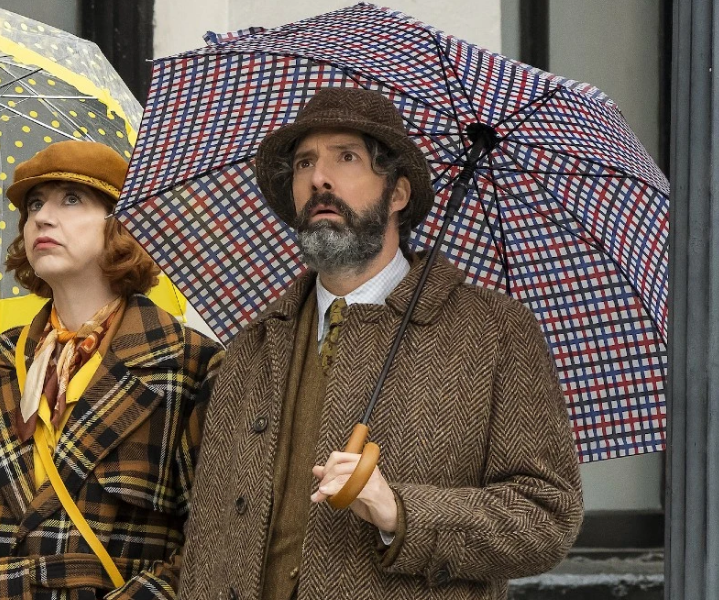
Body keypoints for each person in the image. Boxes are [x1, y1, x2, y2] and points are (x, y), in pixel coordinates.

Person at [178, 88, 583, 600]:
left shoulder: (494, 331)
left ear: (397, 194)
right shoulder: (252, 347)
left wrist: (399, 511)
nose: (318, 178)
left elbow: (546, 516)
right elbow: (207, 536)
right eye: (304, 162)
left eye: (346, 157)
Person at [0, 140, 223, 600]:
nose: (42, 218)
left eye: (71, 199)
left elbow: (213, 541)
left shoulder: (186, 364)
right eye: (35, 204)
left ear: (123, 225)